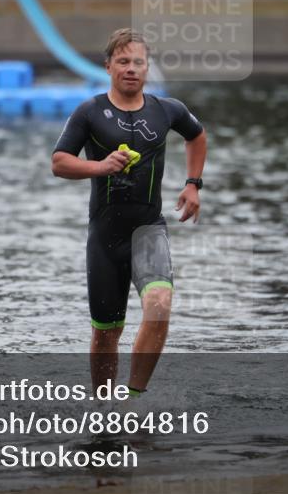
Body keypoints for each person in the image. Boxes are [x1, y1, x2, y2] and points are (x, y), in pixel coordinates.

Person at [51, 28, 207, 397]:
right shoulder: (89, 112)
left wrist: (193, 183)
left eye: (138, 62)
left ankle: (134, 402)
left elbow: (196, 136)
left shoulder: (167, 110)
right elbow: (59, 163)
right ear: (108, 67)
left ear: (147, 68)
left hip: (148, 229)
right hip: (105, 236)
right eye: (123, 61)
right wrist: (101, 167)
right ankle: (104, 409)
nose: (131, 69)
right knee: (106, 333)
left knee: (159, 306)